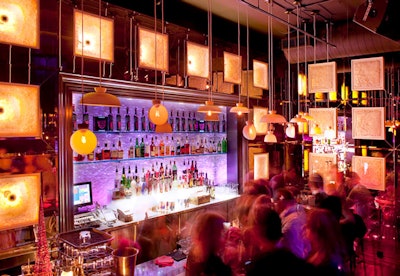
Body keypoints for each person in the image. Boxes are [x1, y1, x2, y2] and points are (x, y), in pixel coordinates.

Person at [245, 207, 315, 275]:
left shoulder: (257, 267)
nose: (248, 229)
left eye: (250, 224)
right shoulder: (292, 259)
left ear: (257, 230)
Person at [185, 212, 232, 276]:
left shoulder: (193, 254)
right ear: (213, 237)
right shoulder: (218, 266)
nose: (225, 238)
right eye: (221, 233)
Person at [305, 208, 347, 275]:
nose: (304, 227)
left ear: (317, 232)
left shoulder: (326, 265)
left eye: (308, 225)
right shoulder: (325, 252)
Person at [274, 188, 310, 259]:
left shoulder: (294, 221)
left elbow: (297, 249)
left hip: (293, 264)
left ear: (280, 202)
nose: (274, 206)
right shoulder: (293, 215)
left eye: (275, 202)